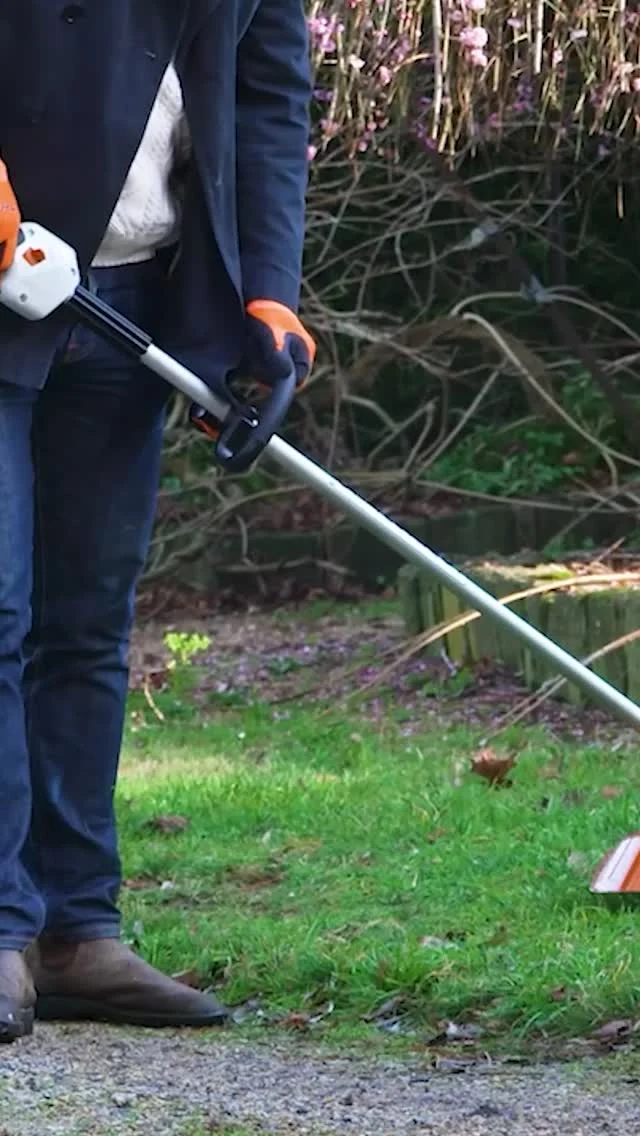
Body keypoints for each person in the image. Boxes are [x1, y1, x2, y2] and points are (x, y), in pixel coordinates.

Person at [0, 0, 316, 1043]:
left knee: (85, 623)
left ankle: (72, 930)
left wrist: (266, 294)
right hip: (8, 256)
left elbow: (267, 93)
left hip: (133, 295)